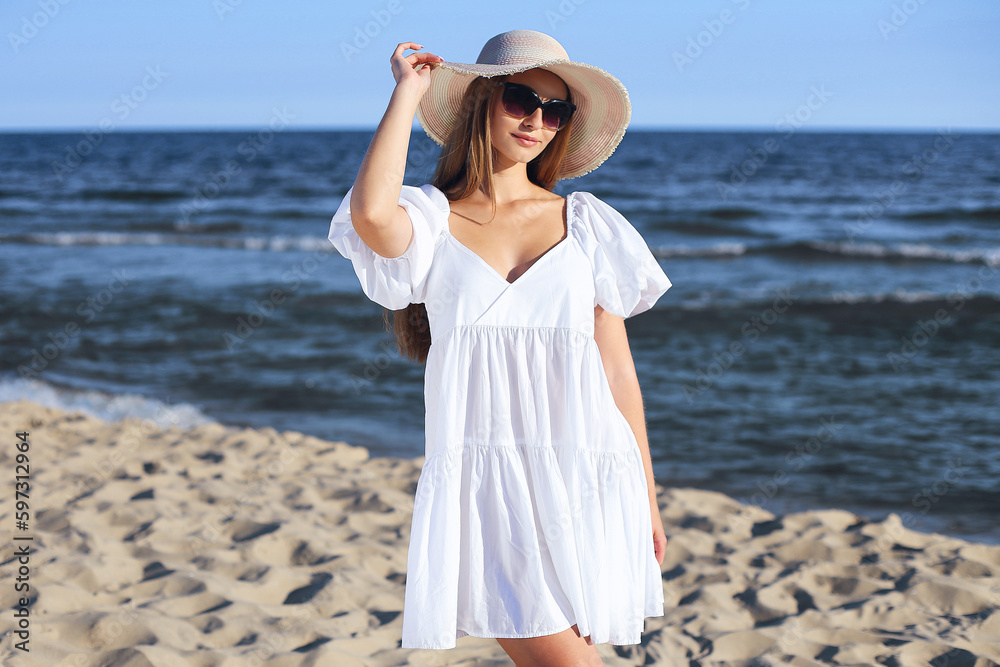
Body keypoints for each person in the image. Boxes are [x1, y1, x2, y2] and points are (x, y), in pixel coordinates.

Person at [328, 29, 672, 666]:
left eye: (555, 109)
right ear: (482, 100)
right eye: (520, 99)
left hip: (588, 471)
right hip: (486, 485)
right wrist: (408, 93)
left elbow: (618, 373)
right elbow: (370, 214)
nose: (536, 120)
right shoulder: (432, 220)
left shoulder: (588, 224)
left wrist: (647, 499)